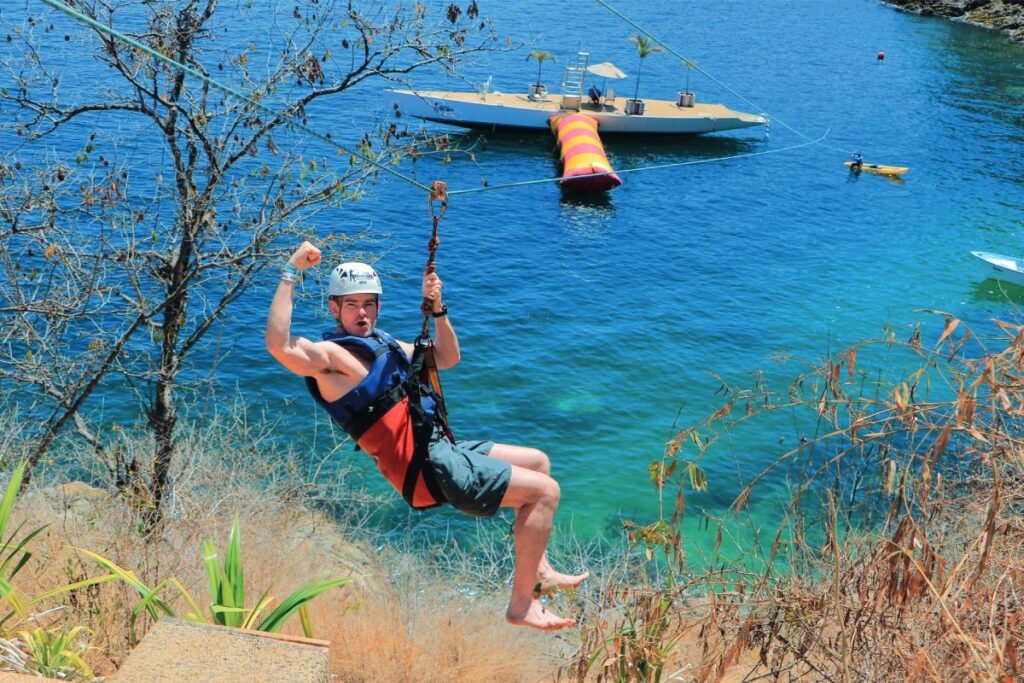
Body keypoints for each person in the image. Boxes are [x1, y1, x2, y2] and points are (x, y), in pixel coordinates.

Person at [265, 241, 588, 631]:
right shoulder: (332, 360)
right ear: (334, 308)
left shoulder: (384, 345)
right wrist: (290, 271)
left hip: (439, 449)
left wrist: (438, 308)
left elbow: (448, 357)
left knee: (538, 462)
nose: (362, 313)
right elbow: (279, 345)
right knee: (544, 493)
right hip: (425, 469)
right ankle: (521, 605)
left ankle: (540, 570)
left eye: (369, 303)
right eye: (351, 305)